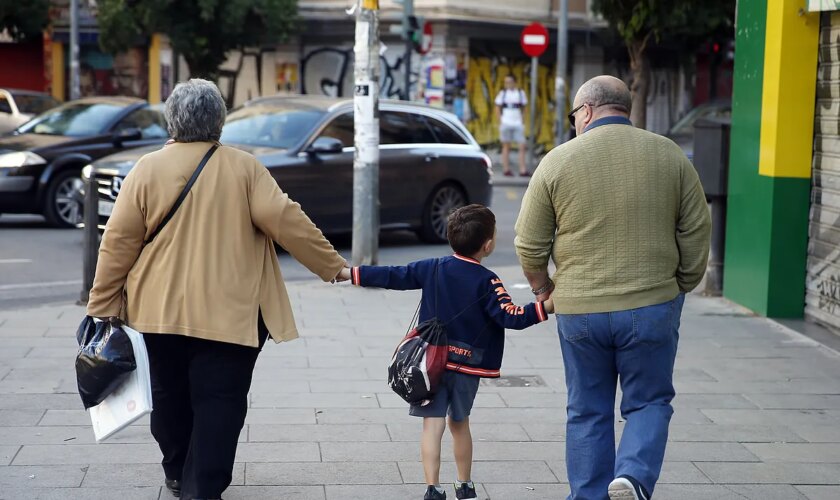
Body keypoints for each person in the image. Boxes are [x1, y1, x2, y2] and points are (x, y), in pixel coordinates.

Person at [86, 79, 347, 500]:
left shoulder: (145, 170)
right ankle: (202, 487)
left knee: (168, 397)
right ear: (220, 123)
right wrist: (333, 267)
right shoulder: (245, 168)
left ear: (171, 120)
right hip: (232, 316)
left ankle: (176, 469)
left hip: (157, 314)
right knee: (220, 403)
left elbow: (117, 243)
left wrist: (102, 305)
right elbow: (286, 220)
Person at [514, 75, 711, 500]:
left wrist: (543, 287)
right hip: (652, 303)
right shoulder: (669, 154)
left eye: (573, 116)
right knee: (649, 401)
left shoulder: (557, 161)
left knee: (586, 410)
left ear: (586, 111)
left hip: (580, 311)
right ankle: (633, 477)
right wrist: (684, 282)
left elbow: (529, 244)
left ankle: (588, 496)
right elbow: (696, 227)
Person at [339, 204, 553, 500]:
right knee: (459, 422)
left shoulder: (433, 267)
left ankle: (432, 488)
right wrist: (545, 307)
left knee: (433, 424)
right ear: (488, 245)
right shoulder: (488, 280)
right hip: (469, 366)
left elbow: (394, 275)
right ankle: (464, 486)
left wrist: (352, 273)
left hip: (430, 364)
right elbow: (511, 316)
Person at [495, 75, 529, 177]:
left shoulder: (520, 93)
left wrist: (522, 120)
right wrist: (500, 121)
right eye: (506, 82)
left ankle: (522, 170)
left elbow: (524, 108)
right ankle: (506, 169)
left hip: (517, 123)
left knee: (522, 146)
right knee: (506, 147)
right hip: (506, 123)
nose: (507, 84)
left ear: (514, 82)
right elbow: (497, 107)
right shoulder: (503, 93)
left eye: (509, 82)